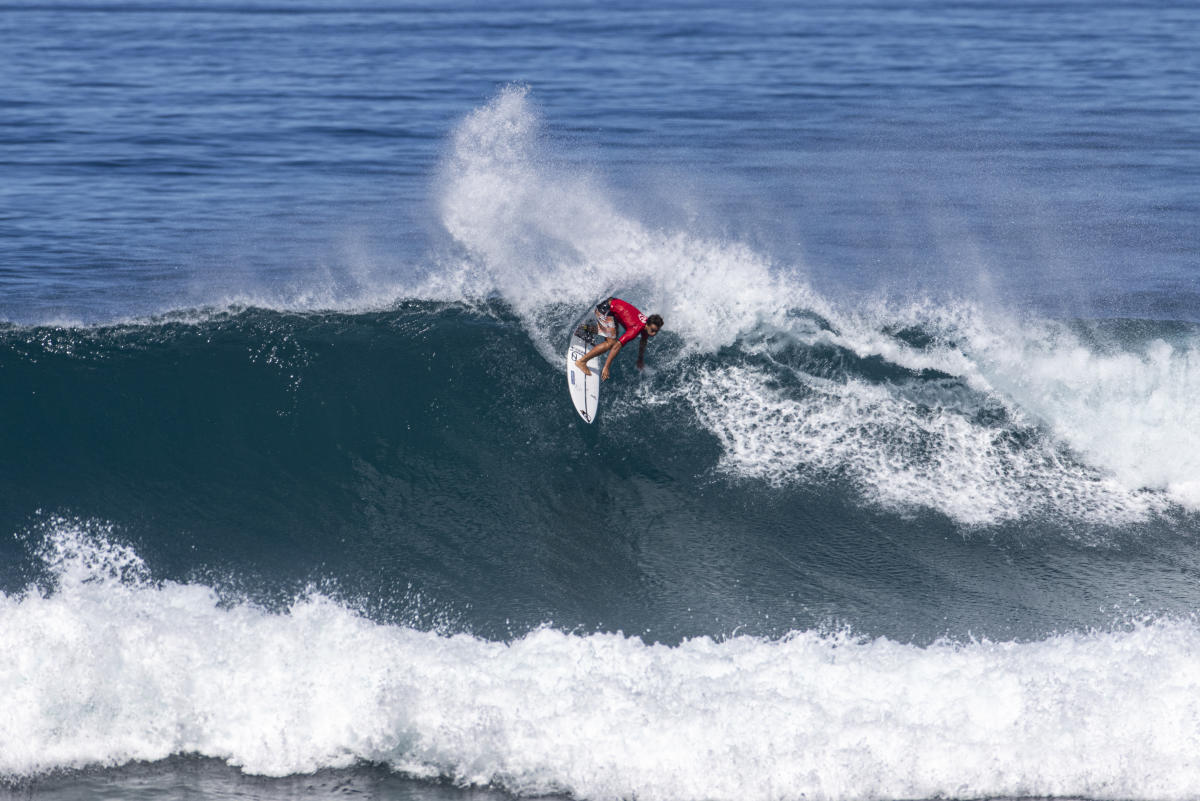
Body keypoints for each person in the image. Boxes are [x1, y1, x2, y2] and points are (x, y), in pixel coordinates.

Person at [575, 297, 663, 381]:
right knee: (610, 343)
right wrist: (606, 367)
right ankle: (582, 361)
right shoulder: (635, 329)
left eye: (656, 331)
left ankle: (585, 328)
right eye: (652, 330)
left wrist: (640, 359)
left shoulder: (647, 327)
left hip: (612, 307)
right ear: (647, 325)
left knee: (612, 334)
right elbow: (617, 346)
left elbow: (643, 341)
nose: (654, 334)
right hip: (604, 310)